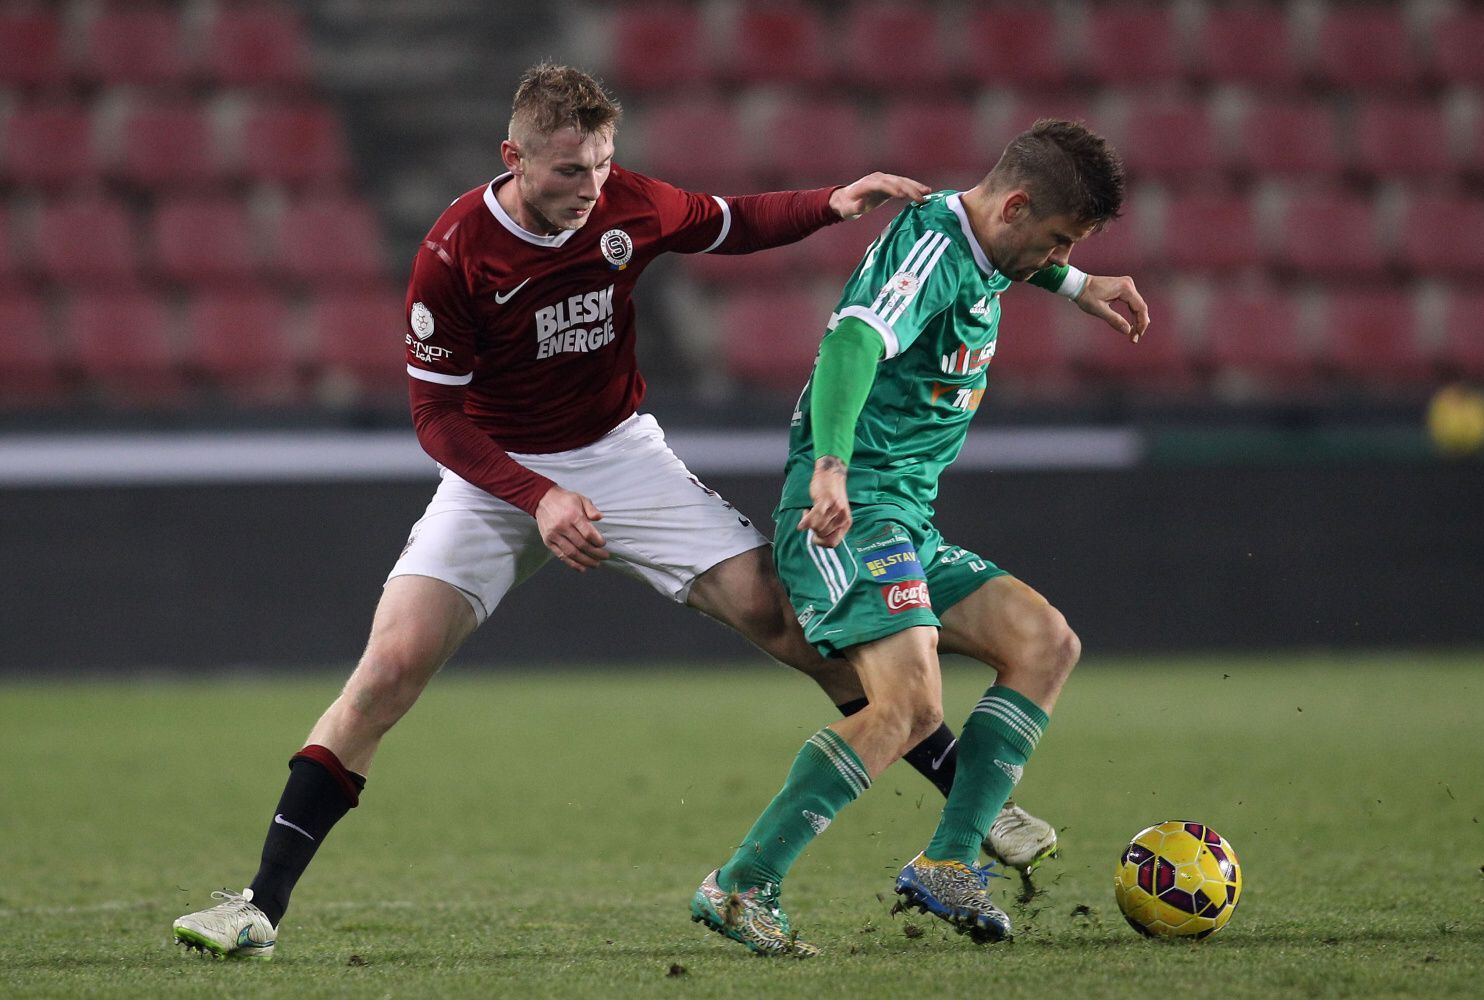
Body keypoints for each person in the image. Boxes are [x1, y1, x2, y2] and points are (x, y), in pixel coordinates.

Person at [170, 64, 1057, 960]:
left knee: (792, 626)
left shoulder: (625, 203)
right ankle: (259, 906)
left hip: (622, 457)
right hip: (495, 470)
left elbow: (728, 222)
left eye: (599, 165)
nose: (589, 188)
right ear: (512, 157)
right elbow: (435, 417)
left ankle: (967, 805)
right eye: (566, 171)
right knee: (387, 672)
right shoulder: (455, 251)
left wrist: (832, 201)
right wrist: (540, 494)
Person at [691, 119, 1148, 957]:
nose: (1054, 256)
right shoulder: (934, 252)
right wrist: (831, 467)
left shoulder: (978, 237)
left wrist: (1077, 283)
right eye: (1054, 240)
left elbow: (998, 256)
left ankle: (948, 861)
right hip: (851, 509)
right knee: (910, 707)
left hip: (903, 516)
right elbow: (855, 338)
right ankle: (742, 884)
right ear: (1015, 206)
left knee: (1045, 643)